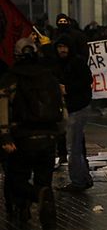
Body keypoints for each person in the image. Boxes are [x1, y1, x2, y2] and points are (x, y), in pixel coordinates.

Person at [1, 38, 62, 229]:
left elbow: (2, 108)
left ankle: (32, 199)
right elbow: (62, 108)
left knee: (17, 179)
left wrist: (4, 135)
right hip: (49, 137)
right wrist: (58, 133)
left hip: (22, 137)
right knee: (44, 178)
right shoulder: (49, 77)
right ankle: (45, 208)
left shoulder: (11, 78)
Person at [53, 35, 94, 193]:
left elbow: (86, 81)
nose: (62, 50)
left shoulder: (77, 62)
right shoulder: (60, 64)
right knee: (77, 146)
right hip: (71, 108)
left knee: (73, 147)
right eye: (59, 47)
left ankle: (78, 181)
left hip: (77, 108)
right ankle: (83, 178)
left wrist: (67, 89)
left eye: (65, 47)